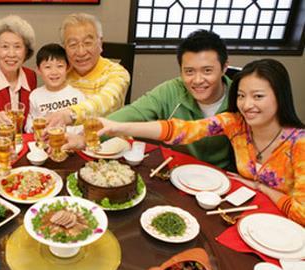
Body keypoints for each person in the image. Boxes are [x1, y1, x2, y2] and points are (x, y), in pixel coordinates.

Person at [66, 59, 304, 224]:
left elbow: (301, 213)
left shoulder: (299, 144)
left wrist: (264, 188)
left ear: (280, 96)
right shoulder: (236, 123)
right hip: (246, 215)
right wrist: (117, 127)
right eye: (241, 96)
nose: (247, 104)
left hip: (286, 231)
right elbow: (181, 130)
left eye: (258, 96)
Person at [107, 30, 234, 170]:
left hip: (224, 178)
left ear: (224, 67)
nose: (198, 80)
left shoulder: (241, 99)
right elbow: (133, 112)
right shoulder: (172, 90)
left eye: (207, 71)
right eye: (189, 71)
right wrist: (90, 132)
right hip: (177, 171)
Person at [44, 13, 130, 128]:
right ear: (65, 48)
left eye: (87, 43)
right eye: (73, 44)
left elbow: (106, 101)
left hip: (107, 140)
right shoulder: (61, 75)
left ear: (100, 43)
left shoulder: (118, 73)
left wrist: (71, 114)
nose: (81, 52)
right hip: (66, 142)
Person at [24, 43, 85, 134]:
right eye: (47, 67)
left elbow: (83, 125)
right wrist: (34, 128)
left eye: (60, 66)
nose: (54, 72)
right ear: (38, 70)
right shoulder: (35, 95)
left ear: (67, 68)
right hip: (44, 142)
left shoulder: (77, 95)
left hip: (70, 143)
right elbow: (29, 123)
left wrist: (63, 130)